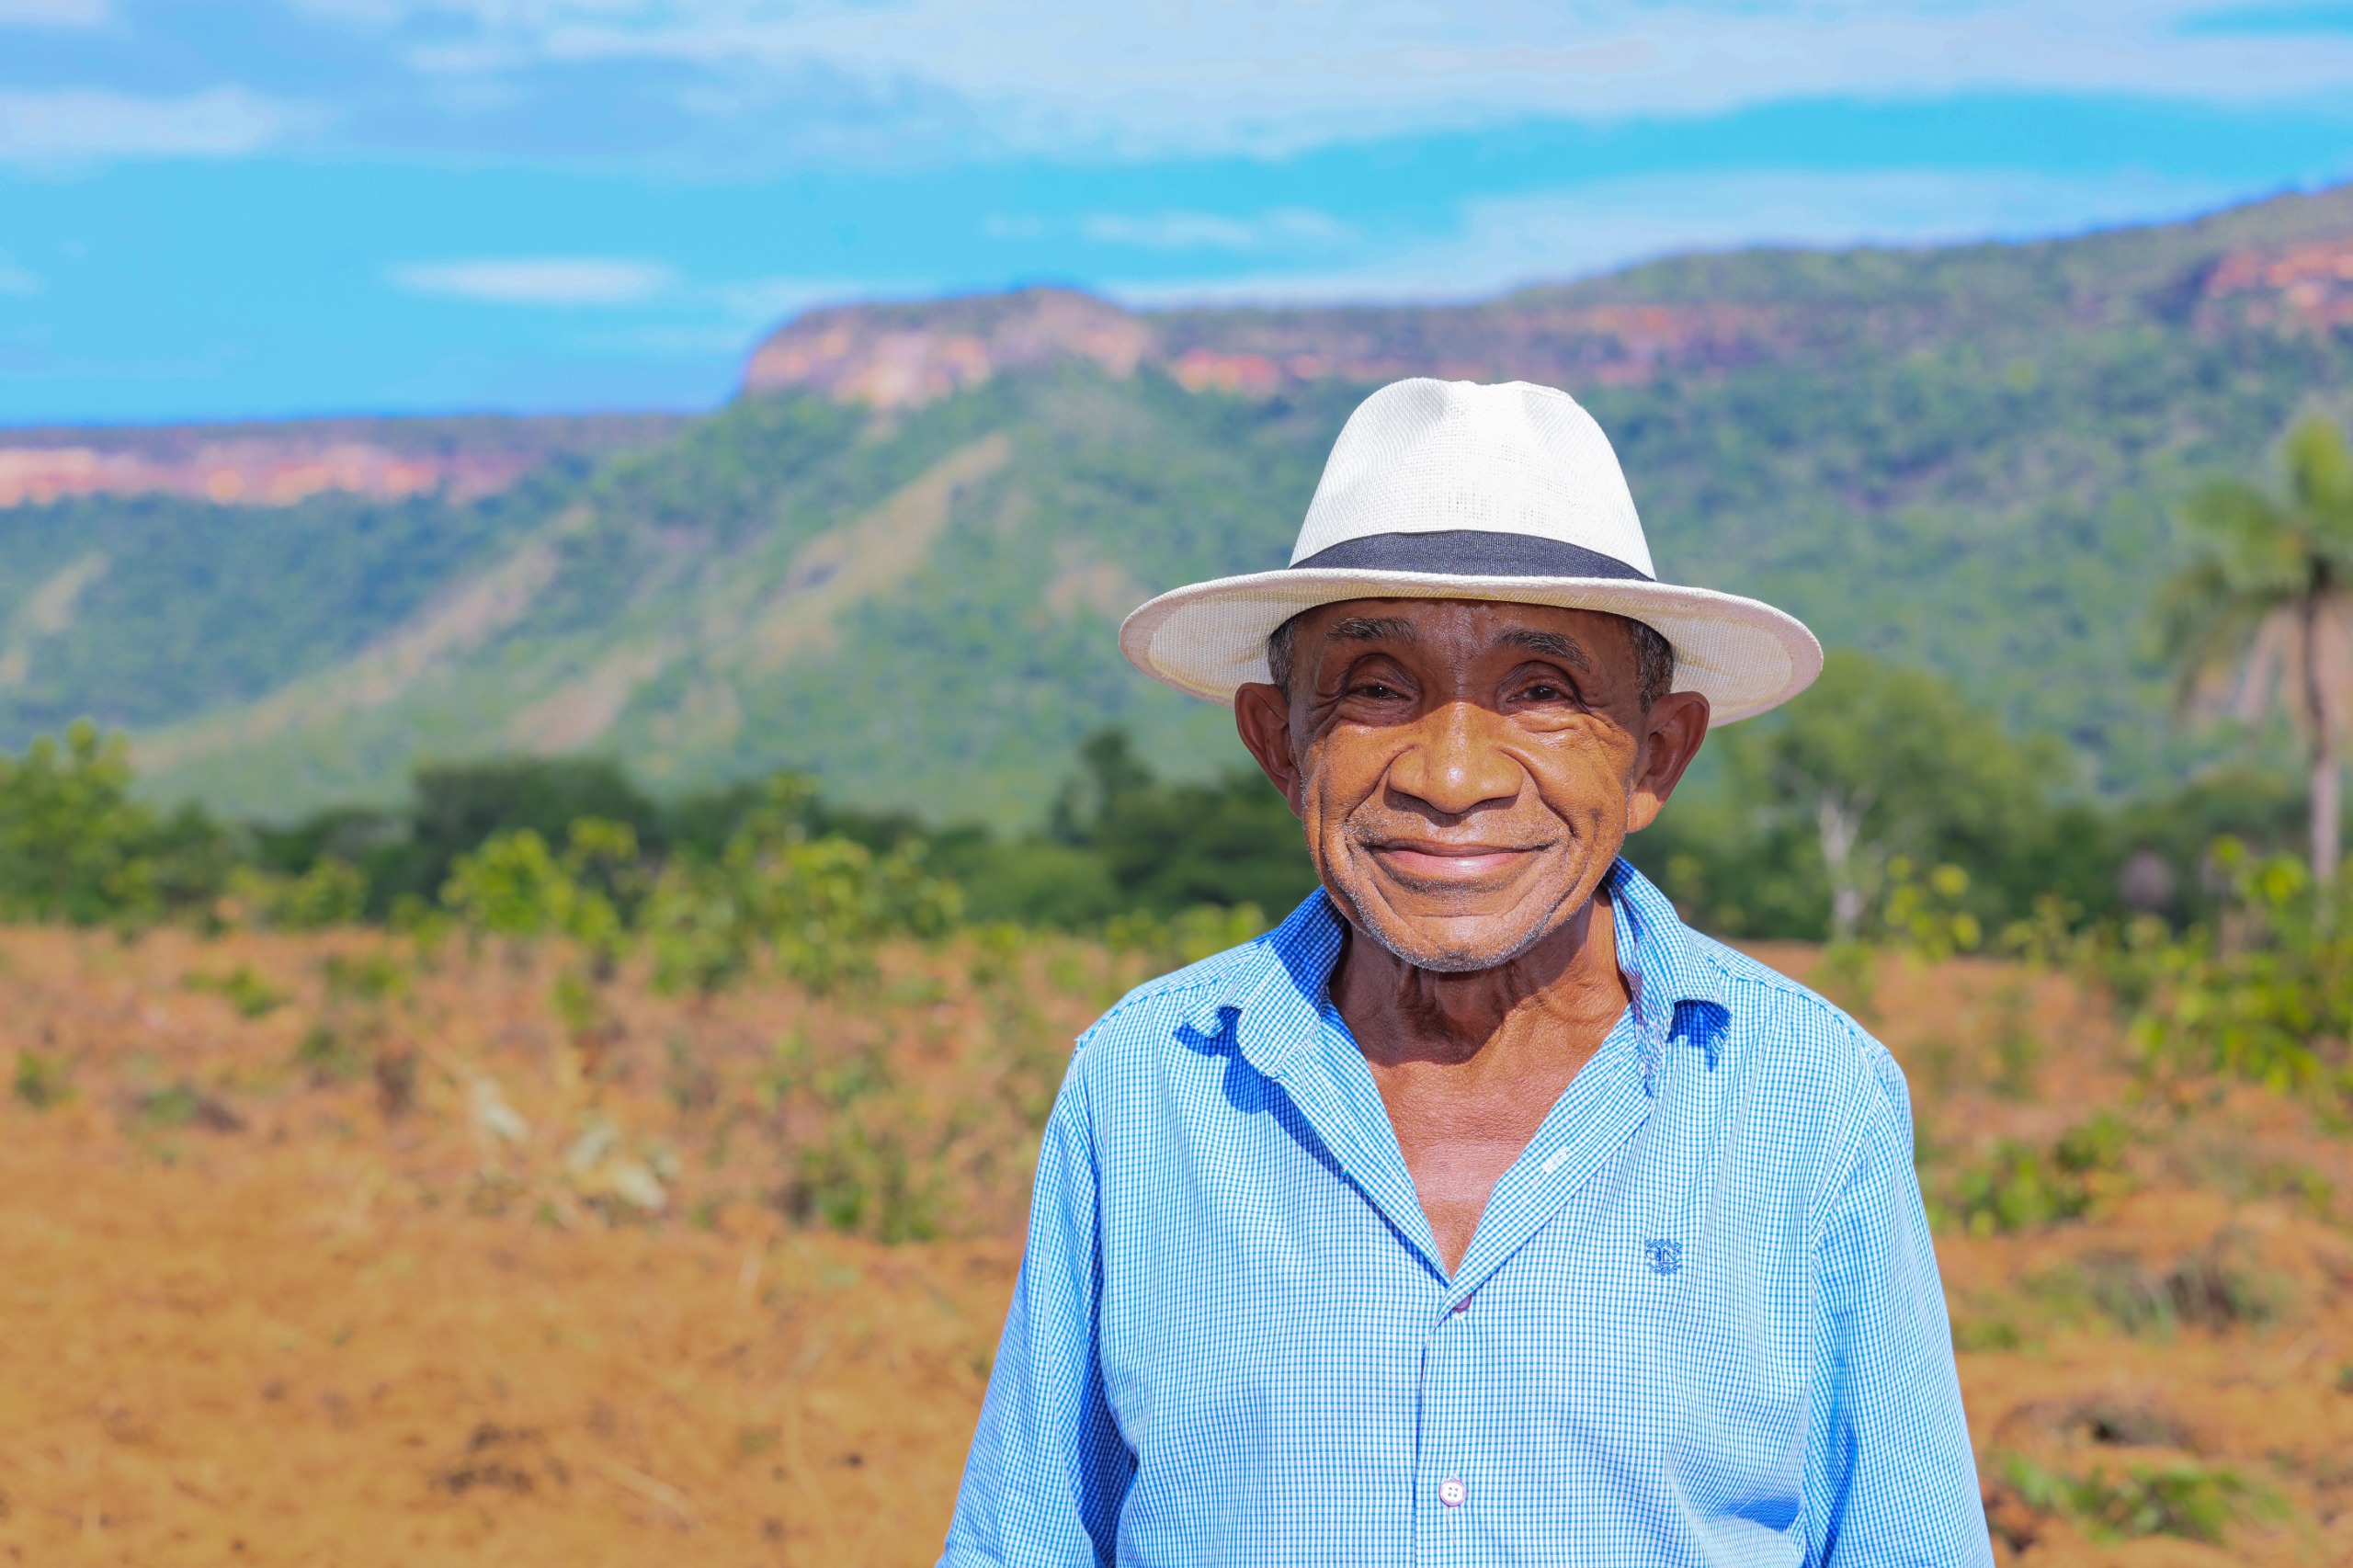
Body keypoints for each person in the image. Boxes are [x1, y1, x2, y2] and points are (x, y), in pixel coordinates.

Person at [940, 378, 1992, 1566]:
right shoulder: (1145, 1083)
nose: (1449, 774)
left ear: (1657, 754)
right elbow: (1024, 1538)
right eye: (1377, 688)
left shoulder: (1814, 1097)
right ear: (1280, 742)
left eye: (1541, 693)